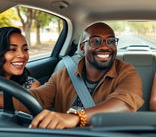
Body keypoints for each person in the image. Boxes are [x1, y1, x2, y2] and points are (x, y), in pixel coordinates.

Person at [7, 22, 143, 129]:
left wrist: (77, 117)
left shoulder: (126, 72)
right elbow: (38, 97)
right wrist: (3, 99)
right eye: (96, 41)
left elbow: (125, 103)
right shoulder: (64, 74)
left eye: (111, 41)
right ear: (83, 48)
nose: (105, 47)